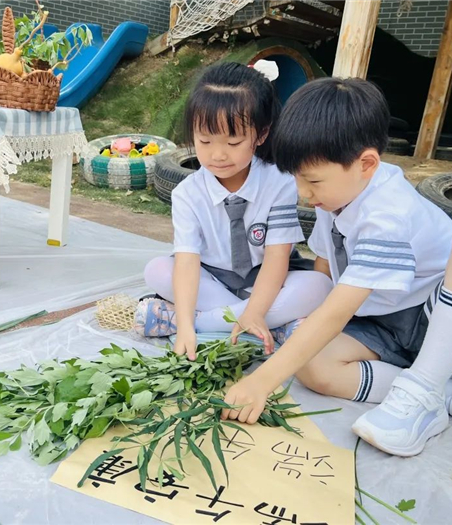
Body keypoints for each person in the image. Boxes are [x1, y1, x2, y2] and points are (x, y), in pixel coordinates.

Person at [221, 76, 452, 457]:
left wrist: (262, 381)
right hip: (384, 322)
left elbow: (339, 309)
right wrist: (301, 324)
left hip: (439, 322)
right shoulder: (335, 196)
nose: (303, 192)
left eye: (312, 180)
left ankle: (425, 389)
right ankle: (451, 393)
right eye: (297, 178)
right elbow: (325, 268)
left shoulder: (387, 212)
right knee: (313, 366)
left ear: (366, 163)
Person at [134, 61, 333, 359]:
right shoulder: (187, 193)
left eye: (234, 141)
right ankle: (273, 326)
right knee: (158, 270)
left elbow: (277, 260)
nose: (218, 154)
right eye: (204, 140)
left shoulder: (279, 182)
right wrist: (187, 328)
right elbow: (188, 263)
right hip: (212, 281)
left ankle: (198, 321)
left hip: (266, 281)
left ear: (261, 135)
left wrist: (248, 311)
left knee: (320, 285)